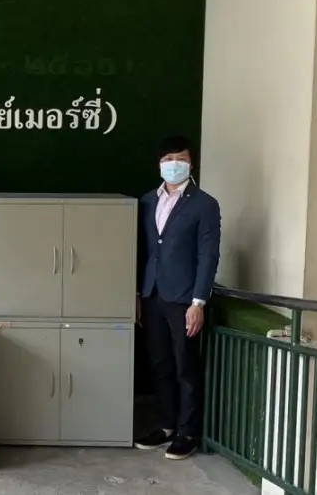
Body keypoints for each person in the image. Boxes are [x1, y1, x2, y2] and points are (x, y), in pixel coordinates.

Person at [134, 135, 221, 461]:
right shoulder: (147, 201)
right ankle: (167, 425)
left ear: (191, 163)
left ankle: (188, 433)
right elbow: (142, 251)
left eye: (181, 159)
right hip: (152, 294)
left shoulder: (204, 204)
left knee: (186, 366)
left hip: (184, 298)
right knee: (160, 363)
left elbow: (208, 255)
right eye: (169, 159)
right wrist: (138, 293)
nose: (175, 164)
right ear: (159, 164)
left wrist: (198, 302)